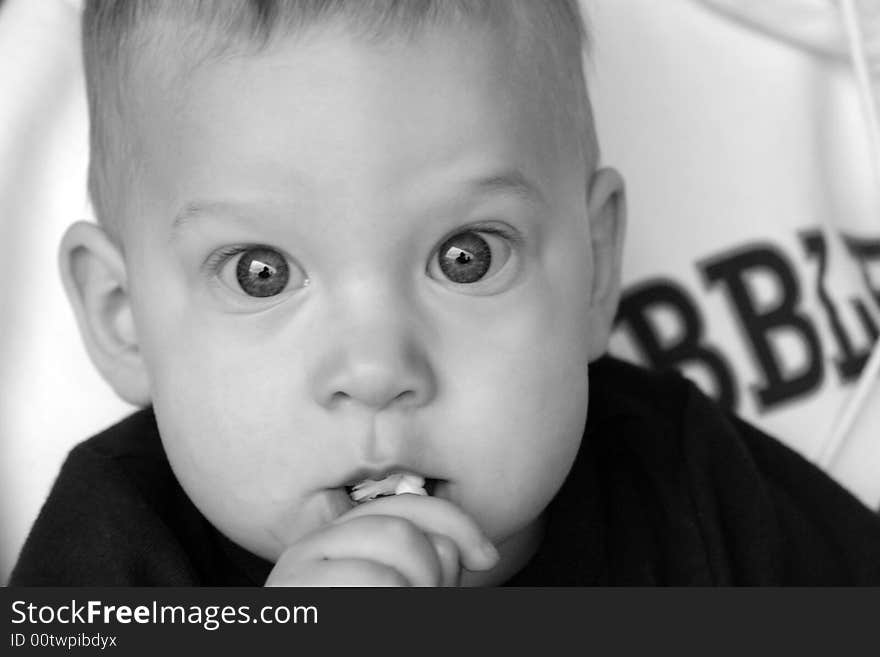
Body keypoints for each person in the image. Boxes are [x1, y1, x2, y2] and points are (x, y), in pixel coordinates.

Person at [10, 0, 880, 586]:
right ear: (124, 319)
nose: (378, 366)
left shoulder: (689, 484)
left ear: (593, 265)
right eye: (260, 273)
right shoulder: (116, 550)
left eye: (465, 256)